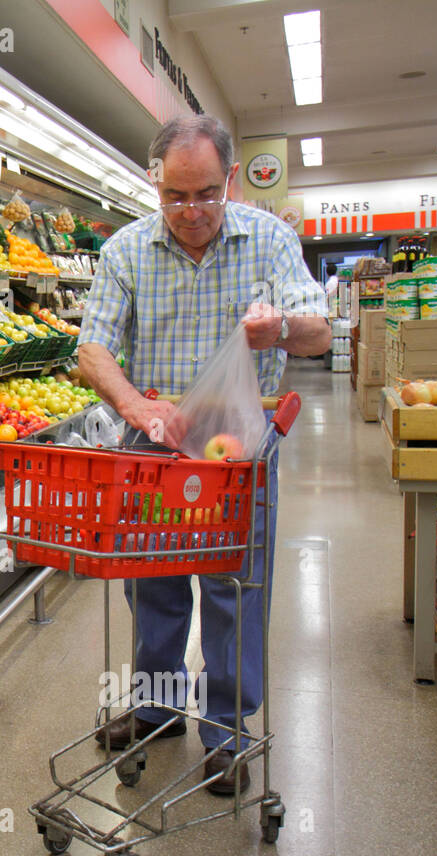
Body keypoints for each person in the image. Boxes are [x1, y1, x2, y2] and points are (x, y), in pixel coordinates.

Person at [76, 114, 330, 795]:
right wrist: (135, 406)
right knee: (152, 583)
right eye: (175, 196)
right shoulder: (126, 251)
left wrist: (280, 327)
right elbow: (92, 345)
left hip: (239, 452)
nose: (190, 212)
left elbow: (319, 332)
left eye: (206, 194)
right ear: (154, 182)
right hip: (153, 448)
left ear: (232, 181)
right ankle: (158, 711)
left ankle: (227, 727)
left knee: (234, 588)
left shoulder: (272, 240)